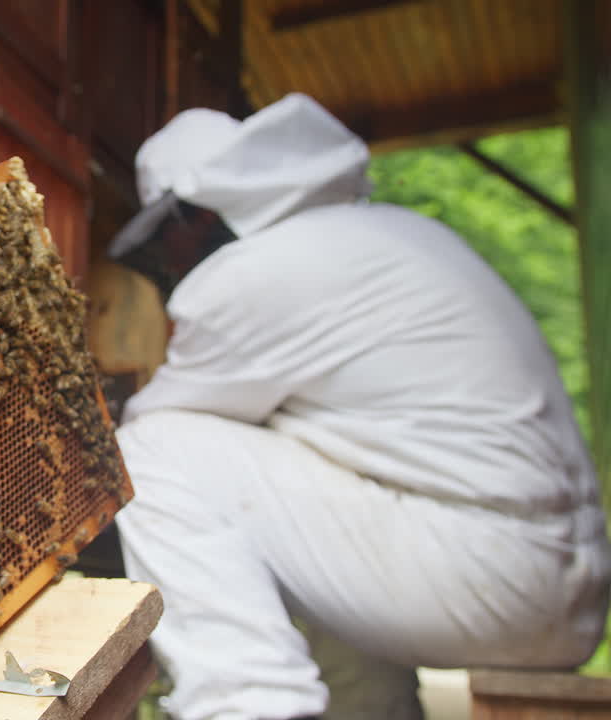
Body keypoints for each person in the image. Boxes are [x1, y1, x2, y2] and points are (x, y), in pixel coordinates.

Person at [109, 92, 611, 720]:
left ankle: (247, 705)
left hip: (490, 574)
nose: (172, 259)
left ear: (200, 214)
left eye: (168, 235)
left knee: (156, 447)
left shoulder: (251, 272)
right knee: (306, 486)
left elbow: (155, 426)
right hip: (562, 585)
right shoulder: (392, 233)